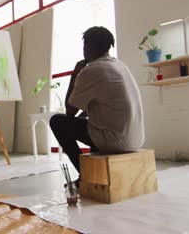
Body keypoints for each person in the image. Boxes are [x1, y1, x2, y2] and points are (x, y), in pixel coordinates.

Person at [49, 26, 144, 186]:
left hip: (115, 141)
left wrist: (74, 75)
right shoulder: (120, 65)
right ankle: (90, 172)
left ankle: (86, 174)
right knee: (87, 117)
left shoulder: (92, 69)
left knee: (58, 121)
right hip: (135, 138)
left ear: (88, 46)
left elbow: (70, 111)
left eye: (84, 46)